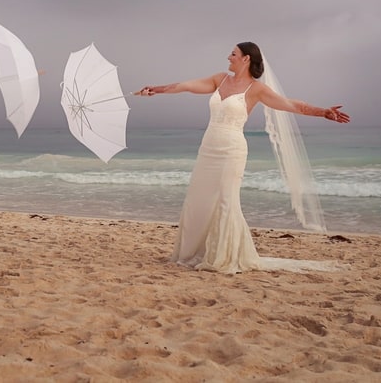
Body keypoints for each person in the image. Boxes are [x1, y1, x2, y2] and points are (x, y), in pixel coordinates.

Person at [137, 42, 350, 273]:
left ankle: (223, 256)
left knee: (226, 201)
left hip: (232, 150)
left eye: (233, 53)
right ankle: (195, 252)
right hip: (208, 148)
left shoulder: (256, 89)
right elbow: (186, 85)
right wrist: (156, 89)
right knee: (198, 199)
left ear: (246, 58)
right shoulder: (220, 79)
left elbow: (291, 105)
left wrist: (323, 112)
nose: (229, 57)